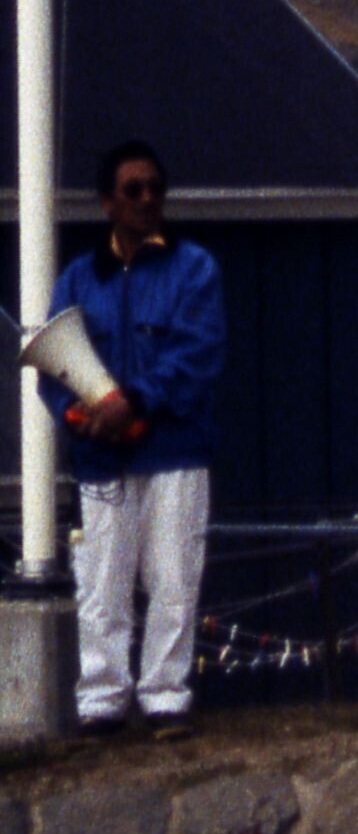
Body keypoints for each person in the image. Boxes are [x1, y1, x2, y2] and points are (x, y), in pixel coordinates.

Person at [46, 140, 224, 739]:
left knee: (173, 579)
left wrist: (136, 403)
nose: (147, 199)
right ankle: (102, 701)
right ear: (107, 202)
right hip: (102, 457)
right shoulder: (77, 279)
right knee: (102, 585)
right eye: (133, 189)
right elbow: (53, 366)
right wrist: (80, 415)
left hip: (174, 452)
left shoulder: (194, 268)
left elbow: (198, 353)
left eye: (155, 188)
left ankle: (166, 697)